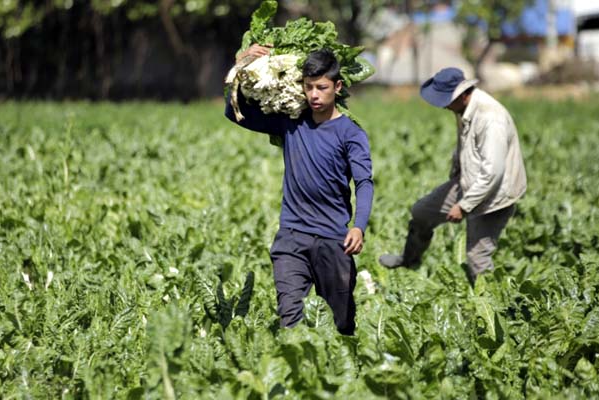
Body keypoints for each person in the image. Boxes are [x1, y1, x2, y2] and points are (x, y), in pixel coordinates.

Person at [225, 46, 373, 335]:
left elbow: (364, 183)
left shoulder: (351, 134)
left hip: (334, 241)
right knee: (291, 321)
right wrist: (241, 65)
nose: (314, 95)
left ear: (337, 86)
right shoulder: (291, 122)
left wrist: (359, 227)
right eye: (309, 87)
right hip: (292, 239)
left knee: (341, 327)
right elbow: (235, 112)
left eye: (322, 87)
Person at [379, 67, 526, 285]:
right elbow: (468, 148)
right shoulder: (463, 109)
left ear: (463, 94)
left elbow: (493, 172)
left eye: (446, 100)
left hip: (494, 195)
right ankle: (409, 261)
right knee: (421, 212)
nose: (444, 106)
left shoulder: (490, 119)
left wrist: (464, 206)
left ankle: (493, 308)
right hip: (468, 183)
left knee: (477, 258)